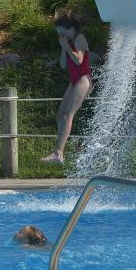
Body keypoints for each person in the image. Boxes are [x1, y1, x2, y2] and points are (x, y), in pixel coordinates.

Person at [41, 13, 93, 164]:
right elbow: (63, 65)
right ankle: (59, 152)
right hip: (74, 80)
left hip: (83, 79)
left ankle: (58, 153)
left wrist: (67, 46)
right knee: (60, 115)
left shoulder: (79, 38)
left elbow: (79, 60)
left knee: (67, 116)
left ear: (71, 29)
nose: (61, 36)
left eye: (63, 32)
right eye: (59, 34)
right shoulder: (69, 42)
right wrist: (64, 48)